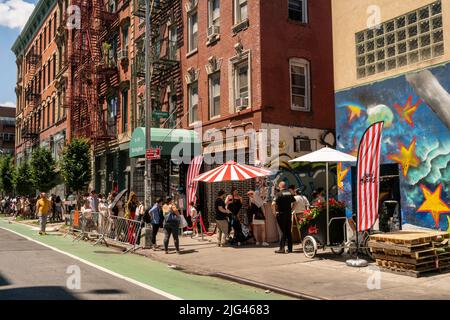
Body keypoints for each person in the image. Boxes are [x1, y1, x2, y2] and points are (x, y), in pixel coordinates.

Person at [273, 181, 296, 254]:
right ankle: (290, 249)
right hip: (288, 214)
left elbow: (273, 203)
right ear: (285, 186)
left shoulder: (278, 194)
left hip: (281, 214)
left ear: (280, 186)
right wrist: (292, 210)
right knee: (288, 231)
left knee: (283, 231)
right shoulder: (289, 193)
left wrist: (274, 212)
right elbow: (295, 202)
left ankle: (282, 248)